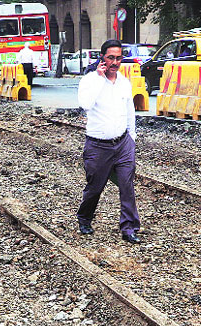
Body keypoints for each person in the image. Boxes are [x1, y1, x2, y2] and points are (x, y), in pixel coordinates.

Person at [76, 39, 140, 244]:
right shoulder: (90, 81)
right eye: (111, 57)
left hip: (123, 144)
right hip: (97, 145)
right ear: (102, 58)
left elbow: (130, 111)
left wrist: (132, 137)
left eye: (118, 58)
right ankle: (85, 218)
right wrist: (100, 78)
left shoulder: (124, 82)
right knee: (95, 187)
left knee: (126, 185)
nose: (115, 62)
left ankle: (129, 228)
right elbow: (85, 104)